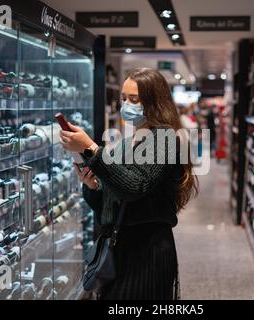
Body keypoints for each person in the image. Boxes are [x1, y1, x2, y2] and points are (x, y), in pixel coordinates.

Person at [59, 68, 198, 300]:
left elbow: (135, 187)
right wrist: (93, 186)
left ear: (154, 102)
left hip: (148, 251)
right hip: (120, 246)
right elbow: (111, 202)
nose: (127, 104)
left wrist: (92, 149)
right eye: (124, 98)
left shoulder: (165, 139)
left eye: (134, 99)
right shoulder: (127, 142)